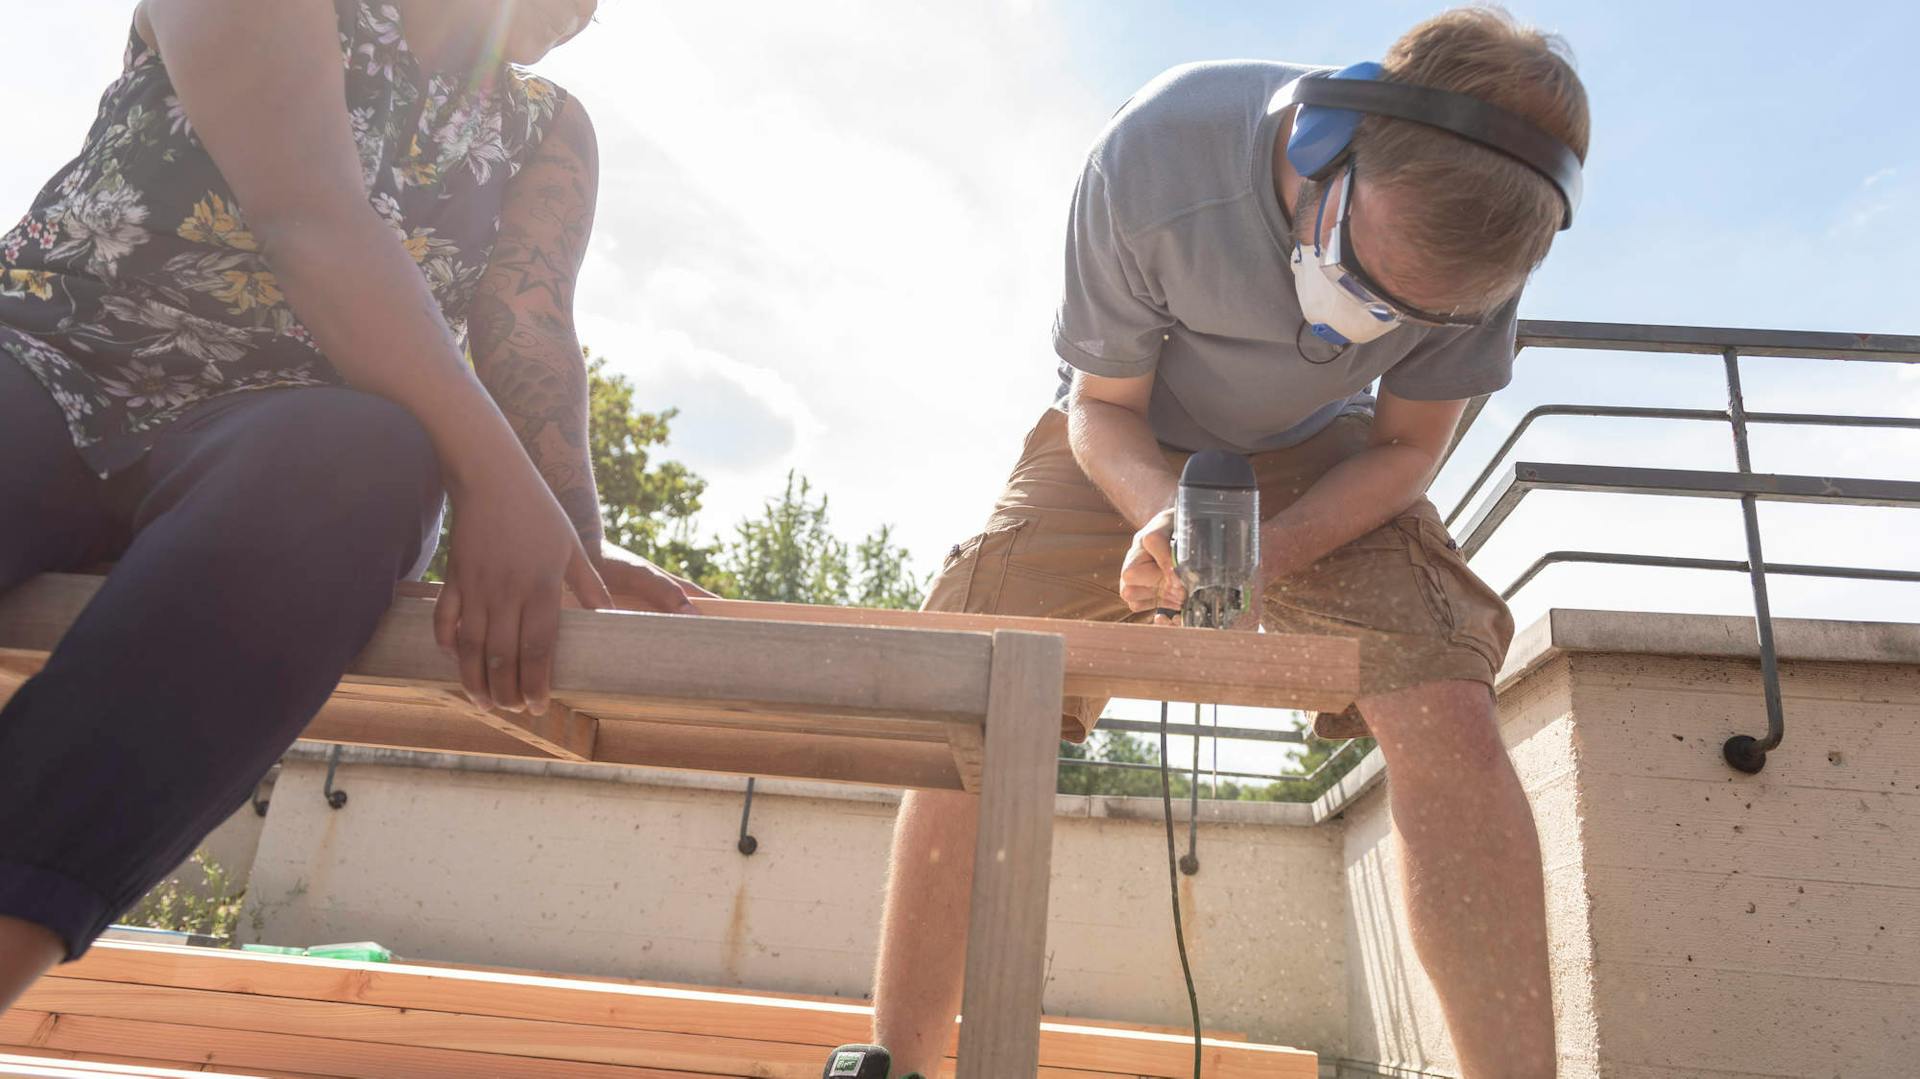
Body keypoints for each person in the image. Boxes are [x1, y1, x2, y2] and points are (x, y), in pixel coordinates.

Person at [824, 8, 1589, 1078]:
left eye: (1407, 313)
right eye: (1363, 278)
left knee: (1446, 697)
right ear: (1330, 146)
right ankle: (897, 1063)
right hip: (1128, 442)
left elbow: (1407, 445)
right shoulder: (1163, 153)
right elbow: (1100, 407)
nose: (1359, 328)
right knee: (976, 679)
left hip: (1331, 455)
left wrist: (1274, 547)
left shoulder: (1487, 257)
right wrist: (1156, 511)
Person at [0, 0, 702, 1011]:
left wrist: (560, 549)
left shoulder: (545, 127)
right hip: (48, 356)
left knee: (369, 462)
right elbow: (307, 212)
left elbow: (528, 330)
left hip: (266, 448)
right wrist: (497, 482)